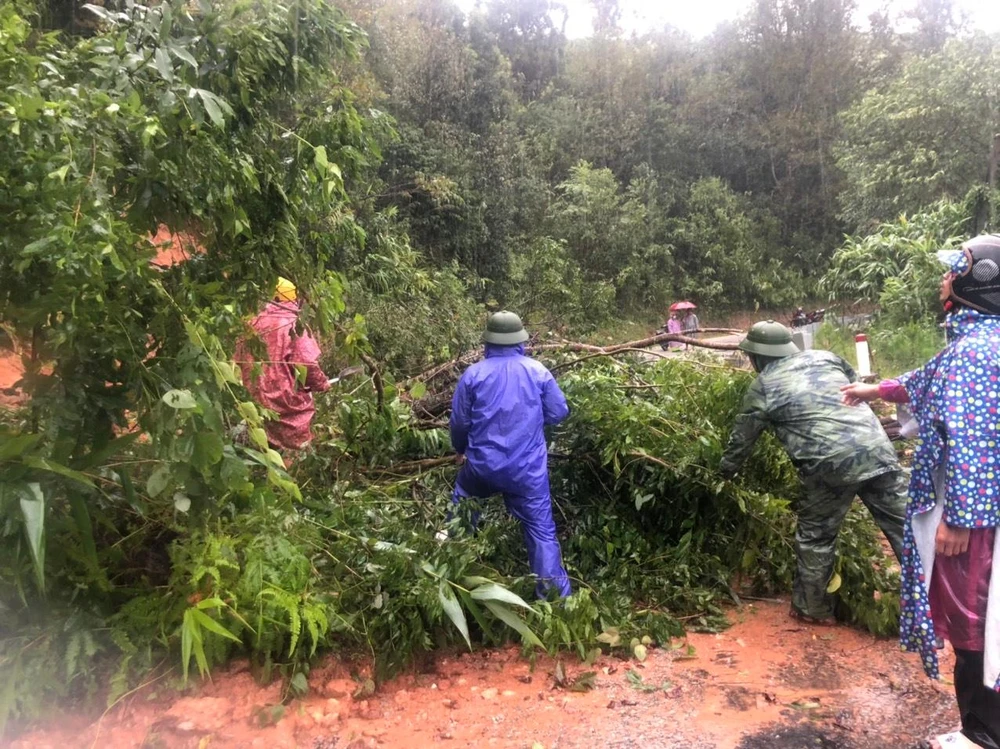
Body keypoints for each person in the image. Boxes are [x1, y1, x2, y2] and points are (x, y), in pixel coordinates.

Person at [842, 235, 1000, 749]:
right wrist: (876, 390)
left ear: (977, 283)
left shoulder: (977, 352)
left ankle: (982, 734)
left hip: (974, 519)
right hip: (983, 509)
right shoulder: (979, 341)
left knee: (972, 620)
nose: (942, 281)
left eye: (951, 272)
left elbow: (973, 440)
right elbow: (929, 378)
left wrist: (960, 518)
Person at [719, 320, 908, 625]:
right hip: (878, 451)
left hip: (827, 465)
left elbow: (743, 438)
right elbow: (854, 388)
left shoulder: (763, 385)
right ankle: (936, 603)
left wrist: (723, 473)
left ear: (757, 357)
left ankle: (813, 608)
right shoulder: (827, 357)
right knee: (906, 528)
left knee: (817, 536)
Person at [449, 310, 572, 598]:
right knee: (541, 533)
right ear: (521, 341)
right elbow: (559, 411)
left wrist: (460, 450)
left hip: (481, 469)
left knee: (462, 509)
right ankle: (554, 600)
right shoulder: (537, 371)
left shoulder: (473, 375)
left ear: (487, 343)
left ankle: (450, 576)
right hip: (527, 473)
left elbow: (459, 422)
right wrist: (530, 420)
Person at [236, 277, 329, 452]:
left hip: (254, 397)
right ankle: (293, 471)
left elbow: (238, 359)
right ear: (295, 299)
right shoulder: (295, 325)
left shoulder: (251, 324)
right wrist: (321, 383)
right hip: (287, 401)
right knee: (293, 448)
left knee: (260, 445)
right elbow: (306, 362)